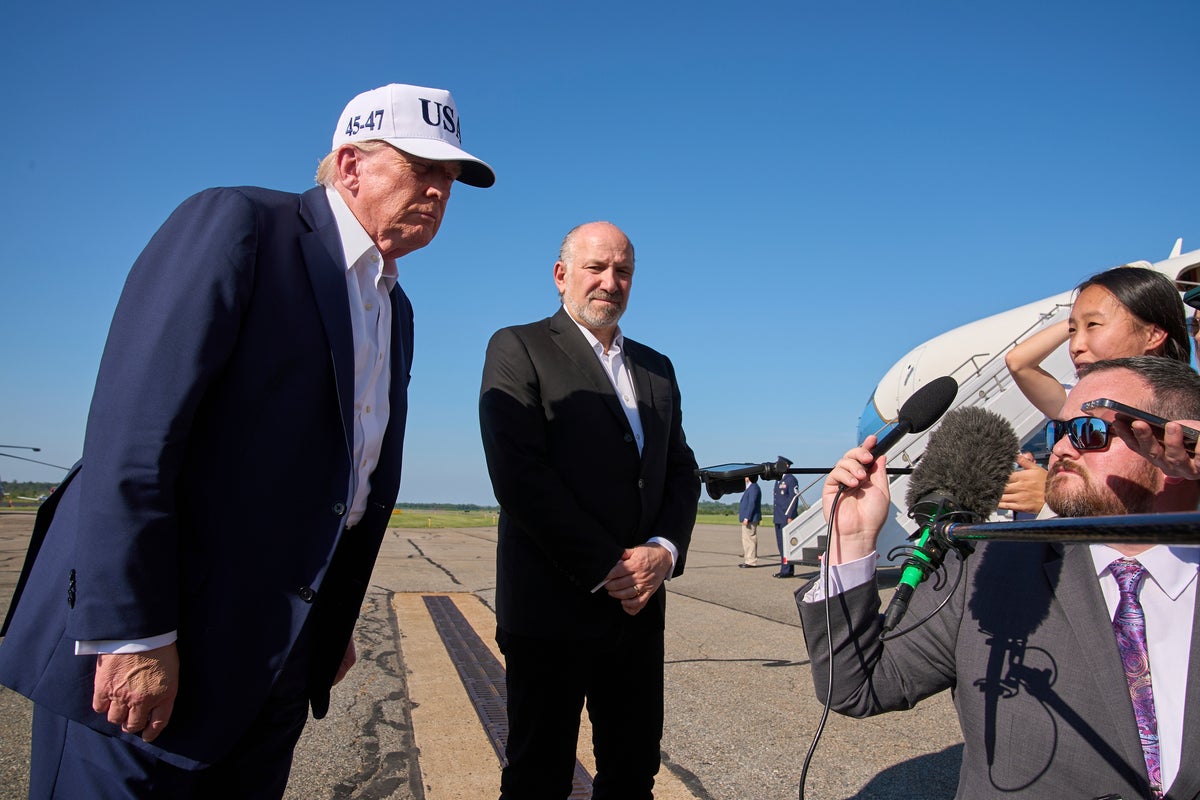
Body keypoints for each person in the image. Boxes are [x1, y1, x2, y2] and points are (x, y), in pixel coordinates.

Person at [0, 83, 494, 799]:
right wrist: (132, 635)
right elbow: (134, 439)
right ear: (351, 164)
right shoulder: (243, 226)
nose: (439, 191)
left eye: (450, 178)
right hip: (159, 649)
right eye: (423, 168)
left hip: (276, 656)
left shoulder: (393, 304)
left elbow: (345, 481)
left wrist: (327, 621)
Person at [797, 355, 1200, 799]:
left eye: (1089, 432)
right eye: (1059, 431)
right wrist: (851, 541)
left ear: (1178, 443)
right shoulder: (988, 568)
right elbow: (859, 685)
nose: (1062, 450)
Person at [479, 221, 699, 799]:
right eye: (596, 268)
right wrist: (611, 566)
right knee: (539, 777)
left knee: (632, 774)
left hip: (637, 615)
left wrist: (664, 551)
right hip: (551, 612)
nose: (610, 282)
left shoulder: (657, 368)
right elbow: (519, 475)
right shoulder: (518, 347)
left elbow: (680, 469)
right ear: (561, 276)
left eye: (622, 271)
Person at [1001, 265, 1191, 515]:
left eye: (1093, 325)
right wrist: (1083, 313)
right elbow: (1017, 361)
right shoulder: (1078, 403)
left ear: (1153, 334)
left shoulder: (1184, 411)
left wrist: (1052, 500)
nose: (1075, 346)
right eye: (1072, 332)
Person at [773, 470, 801, 577]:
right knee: (781, 545)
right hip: (778, 516)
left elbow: (793, 498)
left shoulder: (791, 480)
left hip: (786, 517)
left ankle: (787, 570)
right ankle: (784, 568)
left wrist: (790, 515)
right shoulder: (778, 480)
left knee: (786, 545)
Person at [738, 476, 762, 568]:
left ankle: (751, 561)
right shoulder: (750, 487)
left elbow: (752, 503)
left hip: (750, 519)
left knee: (750, 539)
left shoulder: (754, 488)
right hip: (748, 518)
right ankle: (748, 559)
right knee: (746, 540)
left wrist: (747, 517)